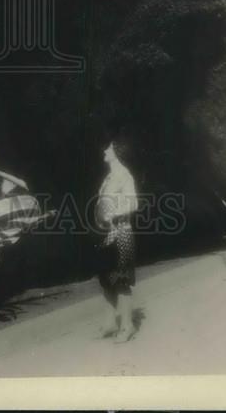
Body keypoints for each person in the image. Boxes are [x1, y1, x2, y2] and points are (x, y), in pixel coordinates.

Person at [95, 139, 138, 342]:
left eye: (109, 147)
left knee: (120, 280)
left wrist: (113, 214)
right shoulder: (109, 177)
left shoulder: (123, 175)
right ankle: (110, 323)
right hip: (107, 234)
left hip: (121, 232)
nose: (105, 150)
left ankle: (127, 326)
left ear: (117, 151)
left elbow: (133, 202)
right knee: (107, 280)